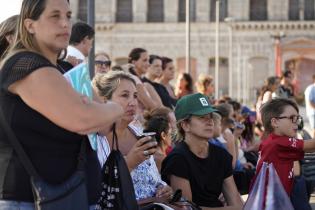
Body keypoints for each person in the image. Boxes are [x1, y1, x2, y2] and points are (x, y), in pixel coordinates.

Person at [0, 0, 124, 209]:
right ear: (30, 25)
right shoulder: (24, 64)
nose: (65, 24)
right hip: (30, 198)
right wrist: (116, 107)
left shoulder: (61, 69)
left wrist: (97, 110)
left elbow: (102, 125)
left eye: (68, 16)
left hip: (69, 195)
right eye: (54, 16)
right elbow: (84, 119)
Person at [92, 71, 173, 201]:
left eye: (135, 96)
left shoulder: (138, 132)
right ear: (104, 100)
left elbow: (154, 180)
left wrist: (163, 188)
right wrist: (129, 163)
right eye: (125, 95)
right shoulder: (94, 139)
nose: (133, 103)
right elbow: (96, 189)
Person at [161, 93, 243, 209]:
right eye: (201, 117)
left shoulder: (221, 155)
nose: (209, 122)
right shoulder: (178, 159)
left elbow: (238, 205)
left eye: (210, 116)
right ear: (185, 125)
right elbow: (187, 208)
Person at [253, 98, 315, 196]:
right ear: (275, 122)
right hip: (272, 202)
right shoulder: (278, 142)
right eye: (292, 118)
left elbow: (310, 148)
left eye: (297, 118)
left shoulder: (274, 140)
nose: (297, 123)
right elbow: (312, 145)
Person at [143, 107, 174, 172]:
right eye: (171, 133)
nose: (173, 135)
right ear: (163, 135)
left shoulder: (147, 153)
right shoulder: (162, 159)